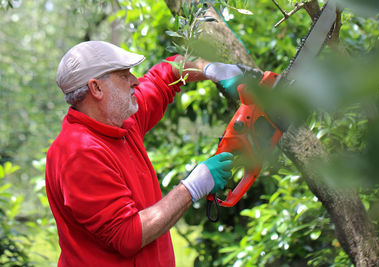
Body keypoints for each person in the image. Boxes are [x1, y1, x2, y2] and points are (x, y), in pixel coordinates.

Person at [45, 40, 258, 267]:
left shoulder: (121, 121)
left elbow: (167, 74)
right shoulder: (79, 153)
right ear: (96, 88)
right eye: (124, 75)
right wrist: (195, 185)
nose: (135, 81)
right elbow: (127, 236)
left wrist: (211, 70)